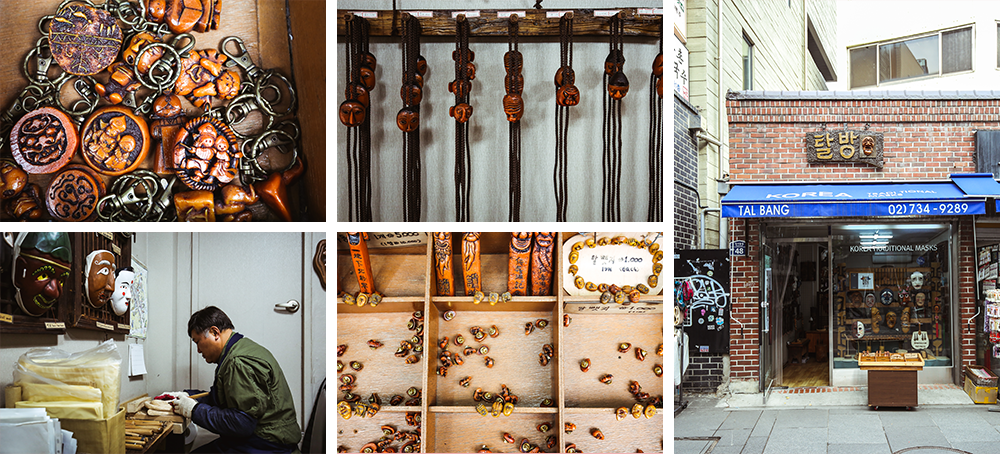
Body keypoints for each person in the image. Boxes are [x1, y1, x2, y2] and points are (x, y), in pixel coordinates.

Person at [171, 306, 301, 453]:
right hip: (265, 438)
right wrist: (188, 397)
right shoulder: (239, 350)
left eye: (198, 341)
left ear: (215, 332)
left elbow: (242, 424)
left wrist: (193, 410)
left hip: (267, 444)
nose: (198, 350)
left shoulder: (238, 361)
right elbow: (224, 399)